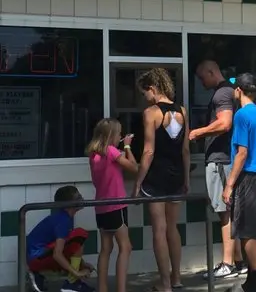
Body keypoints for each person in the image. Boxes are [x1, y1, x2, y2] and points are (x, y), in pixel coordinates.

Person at [132, 68, 190, 292]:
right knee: (172, 228)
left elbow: (148, 151)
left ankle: (164, 284)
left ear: (152, 89)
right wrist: (186, 178)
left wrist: (138, 182)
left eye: (144, 92)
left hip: (156, 178)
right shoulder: (183, 111)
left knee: (159, 229)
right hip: (176, 177)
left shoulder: (151, 112)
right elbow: (185, 150)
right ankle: (176, 278)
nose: (144, 97)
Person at [189, 60, 246, 279]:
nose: (201, 82)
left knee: (224, 212)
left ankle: (227, 263)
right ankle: (238, 261)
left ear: (212, 72)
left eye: (202, 77)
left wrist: (197, 133)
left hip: (221, 160)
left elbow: (224, 123)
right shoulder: (229, 92)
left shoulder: (222, 93)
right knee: (230, 211)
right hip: (225, 158)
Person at [223, 73, 256, 292]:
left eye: (234, 88)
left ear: (239, 90)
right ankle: (252, 281)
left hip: (246, 177)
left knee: (248, 232)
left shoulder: (242, 115)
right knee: (246, 229)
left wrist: (229, 184)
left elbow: (242, 153)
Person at [86, 118, 138, 292]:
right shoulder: (112, 151)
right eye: (119, 134)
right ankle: (121, 289)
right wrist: (128, 146)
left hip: (101, 206)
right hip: (116, 204)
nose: (121, 136)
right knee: (126, 247)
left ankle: (102, 288)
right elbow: (133, 168)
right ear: (111, 135)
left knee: (106, 248)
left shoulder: (94, 154)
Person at [26, 186, 95, 292]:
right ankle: (72, 283)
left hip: (35, 258)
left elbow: (65, 249)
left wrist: (82, 264)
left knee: (75, 240)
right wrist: (77, 273)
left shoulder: (62, 217)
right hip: (36, 259)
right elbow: (57, 254)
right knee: (79, 234)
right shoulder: (62, 221)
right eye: (78, 197)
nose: (82, 199)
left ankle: (38, 276)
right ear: (67, 205)